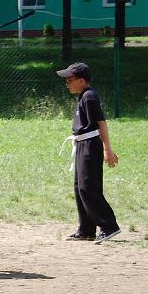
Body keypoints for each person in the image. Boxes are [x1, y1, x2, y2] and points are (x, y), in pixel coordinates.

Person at [56, 62, 121, 244]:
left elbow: (101, 123)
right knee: (80, 188)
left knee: (88, 187)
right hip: (82, 144)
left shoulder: (89, 96)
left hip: (91, 146)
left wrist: (107, 149)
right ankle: (86, 229)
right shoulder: (83, 96)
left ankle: (109, 226)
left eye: (70, 80)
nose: (67, 83)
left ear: (82, 81)